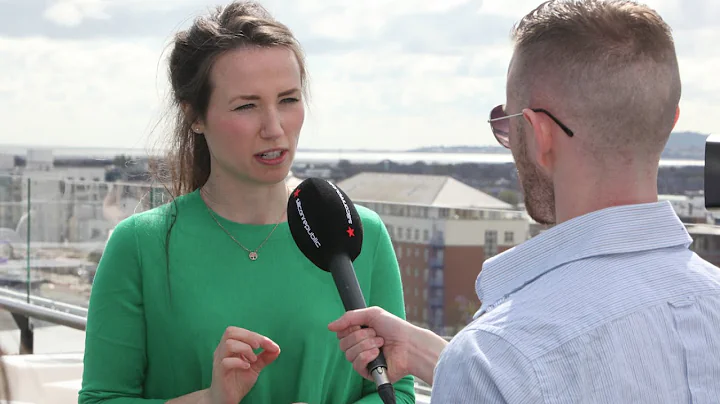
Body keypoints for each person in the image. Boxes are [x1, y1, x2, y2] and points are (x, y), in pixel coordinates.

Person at [328, 0, 720, 402]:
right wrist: (443, 361)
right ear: (671, 121)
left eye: (509, 124)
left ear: (539, 134)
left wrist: (473, 369)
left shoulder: (496, 357)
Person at [78, 2, 415, 403]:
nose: (274, 128)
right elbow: (102, 398)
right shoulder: (139, 244)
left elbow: (397, 393)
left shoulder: (359, 235)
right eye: (246, 106)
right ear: (195, 117)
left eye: (288, 99)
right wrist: (211, 400)